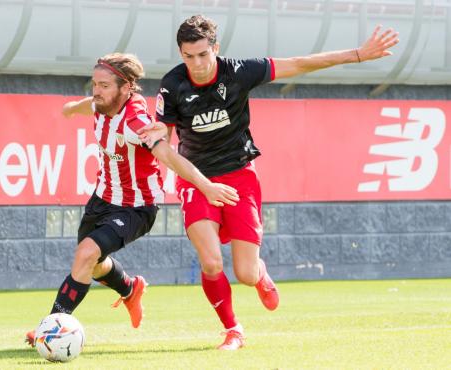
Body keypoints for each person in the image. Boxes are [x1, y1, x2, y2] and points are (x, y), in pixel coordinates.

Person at [138, 15, 399, 350]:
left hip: (239, 174)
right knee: (212, 261)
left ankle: (259, 274)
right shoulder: (172, 85)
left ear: (215, 48)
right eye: (189, 56)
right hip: (196, 178)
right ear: (181, 54)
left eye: (203, 54)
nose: (197, 64)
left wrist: (359, 54)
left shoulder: (240, 72)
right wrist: (165, 136)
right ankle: (233, 330)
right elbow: (166, 141)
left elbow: (299, 63)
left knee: (244, 273)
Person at [26, 52, 240, 346]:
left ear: (126, 88)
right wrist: (72, 109)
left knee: (86, 254)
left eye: (104, 86)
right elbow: (89, 105)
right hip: (102, 199)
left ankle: (49, 330)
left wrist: (206, 186)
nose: (96, 91)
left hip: (136, 207)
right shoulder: (102, 104)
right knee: (94, 264)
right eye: (94, 84)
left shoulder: (136, 122)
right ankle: (130, 288)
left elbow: (168, 156)